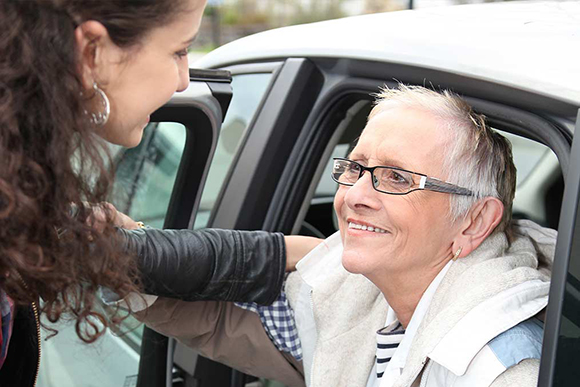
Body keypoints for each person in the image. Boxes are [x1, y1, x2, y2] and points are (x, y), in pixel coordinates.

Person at [138, 85, 554, 387]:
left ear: (474, 222)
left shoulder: (503, 370)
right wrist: (122, 256)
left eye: (395, 177)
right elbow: (231, 327)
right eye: (355, 168)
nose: (354, 194)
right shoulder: (361, 301)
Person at [0, 1, 320, 386]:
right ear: (92, 52)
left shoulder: (19, 195)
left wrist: (297, 254)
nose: (184, 80)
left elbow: (154, 258)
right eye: (179, 51)